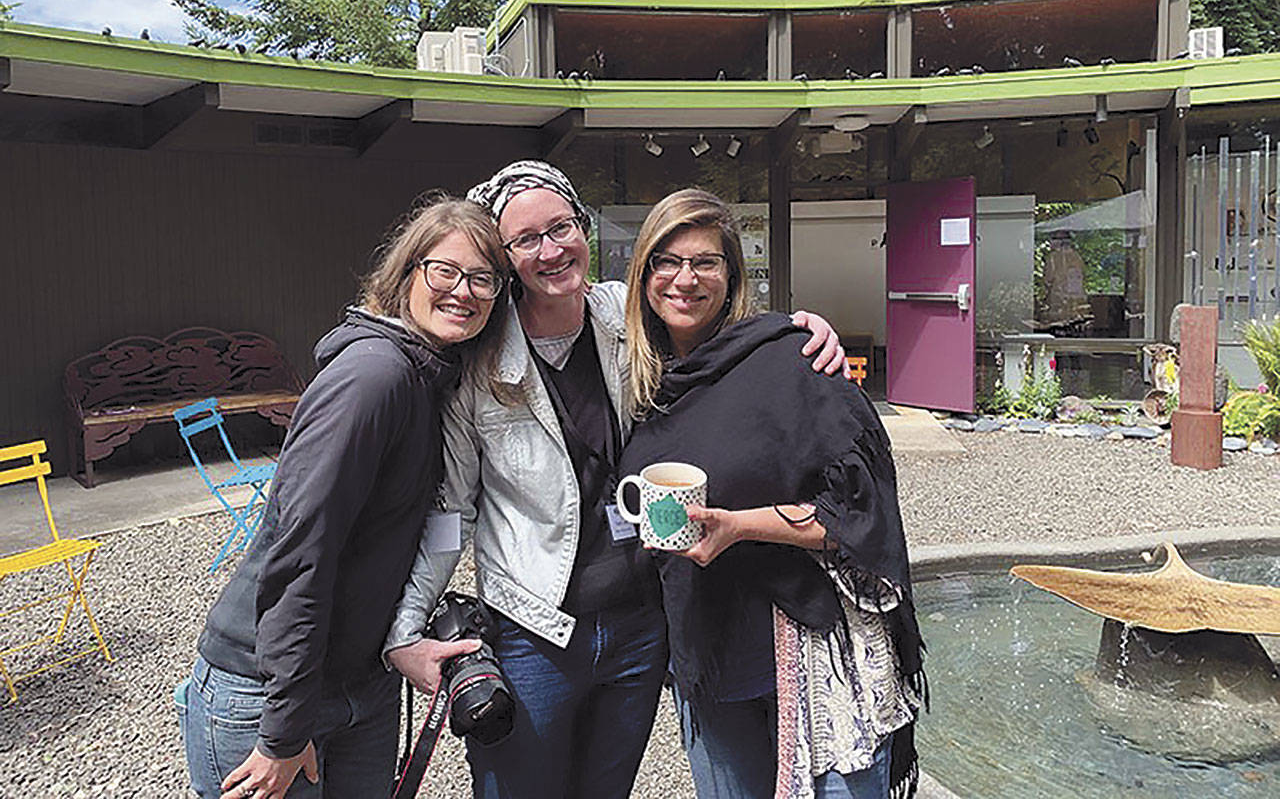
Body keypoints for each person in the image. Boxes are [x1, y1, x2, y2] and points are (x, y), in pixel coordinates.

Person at [384, 161, 848, 799]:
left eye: (562, 227)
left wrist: (794, 330)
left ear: (583, 227)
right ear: (504, 257)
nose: (551, 250)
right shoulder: (480, 362)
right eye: (526, 240)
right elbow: (451, 512)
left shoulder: (624, 319)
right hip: (534, 633)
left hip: (639, 628)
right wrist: (405, 628)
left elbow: (710, 322)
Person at [179, 195, 510, 799]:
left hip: (361, 681)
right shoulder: (373, 379)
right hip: (271, 687)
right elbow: (301, 552)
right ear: (407, 273)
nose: (462, 291)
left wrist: (400, 640)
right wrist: (284, 729)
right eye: (444, 270)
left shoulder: (432, 377)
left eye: (482, 279)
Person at [619, 188, 925, 799]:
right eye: (666, 261)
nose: (685, 279)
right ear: (644, 274)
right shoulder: (639, 381)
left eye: (705, 262)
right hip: (708, 660)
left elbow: (862, 515)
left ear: (732, 275)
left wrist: (740, 526)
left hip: (813, 657)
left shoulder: (792, 359)